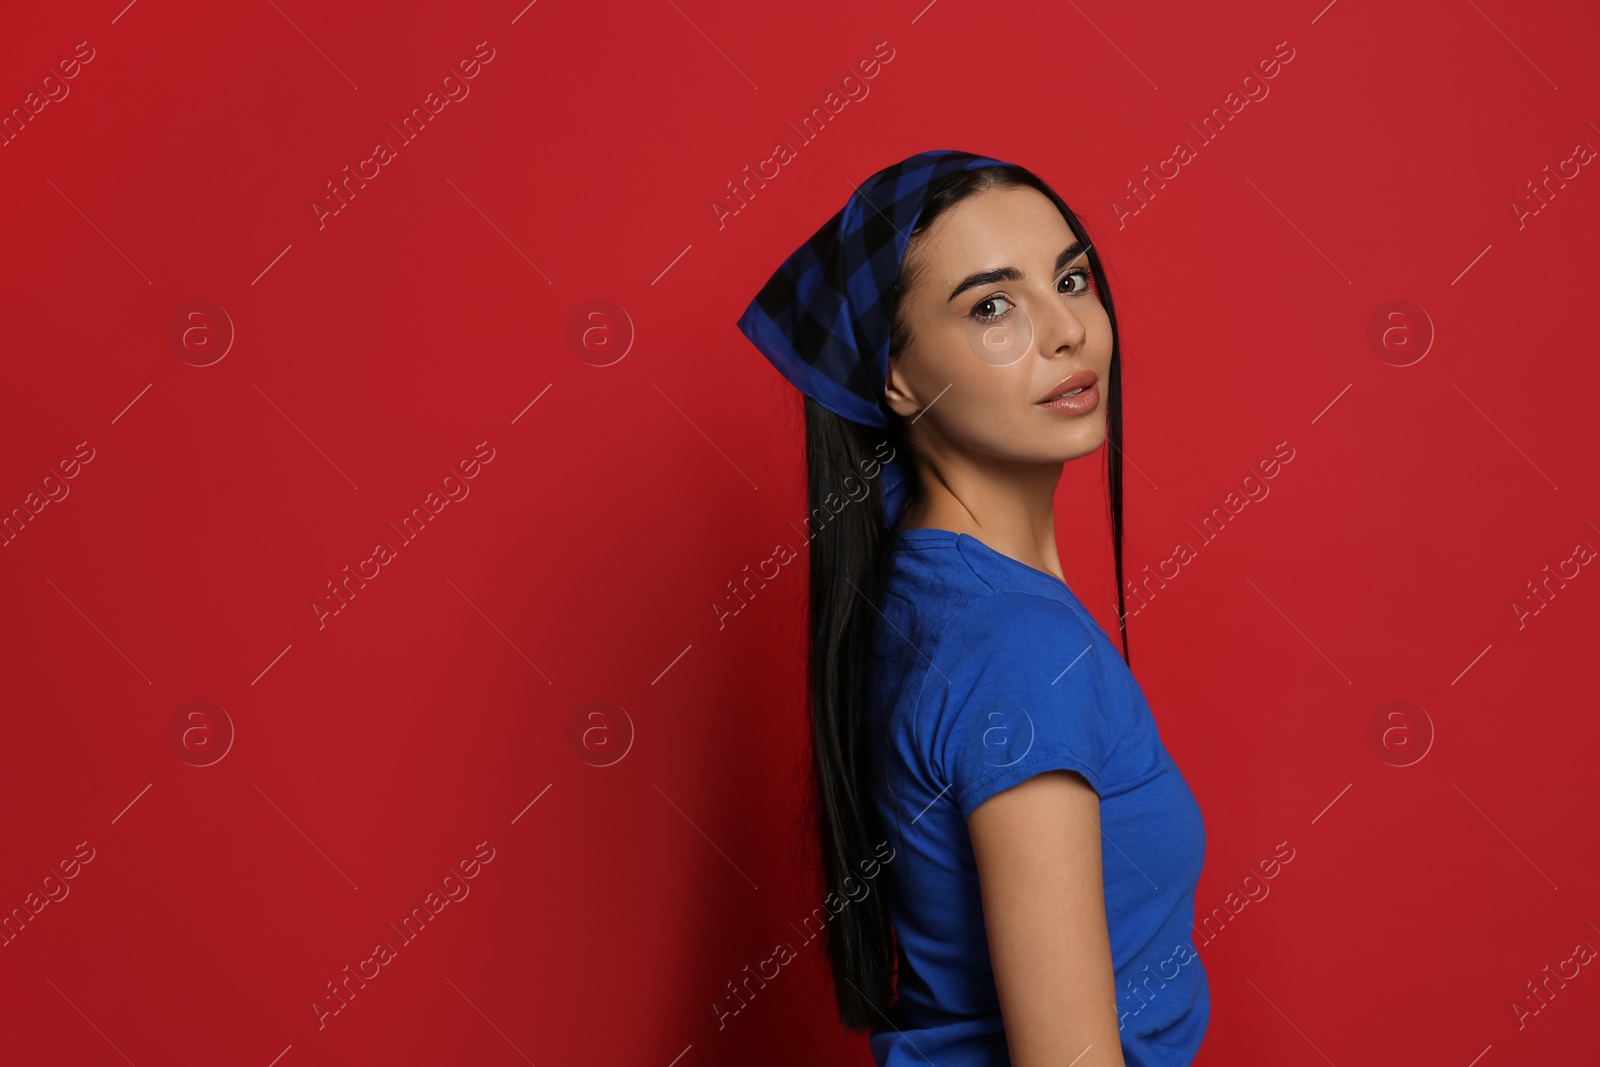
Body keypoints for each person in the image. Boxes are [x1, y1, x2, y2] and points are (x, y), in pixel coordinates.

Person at [735, 149, 1210, 1067]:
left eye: (1071, 277)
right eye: (993, 306)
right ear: (897, 379)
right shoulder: (1019, 644)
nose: (1067, 328)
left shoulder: (925, 588)